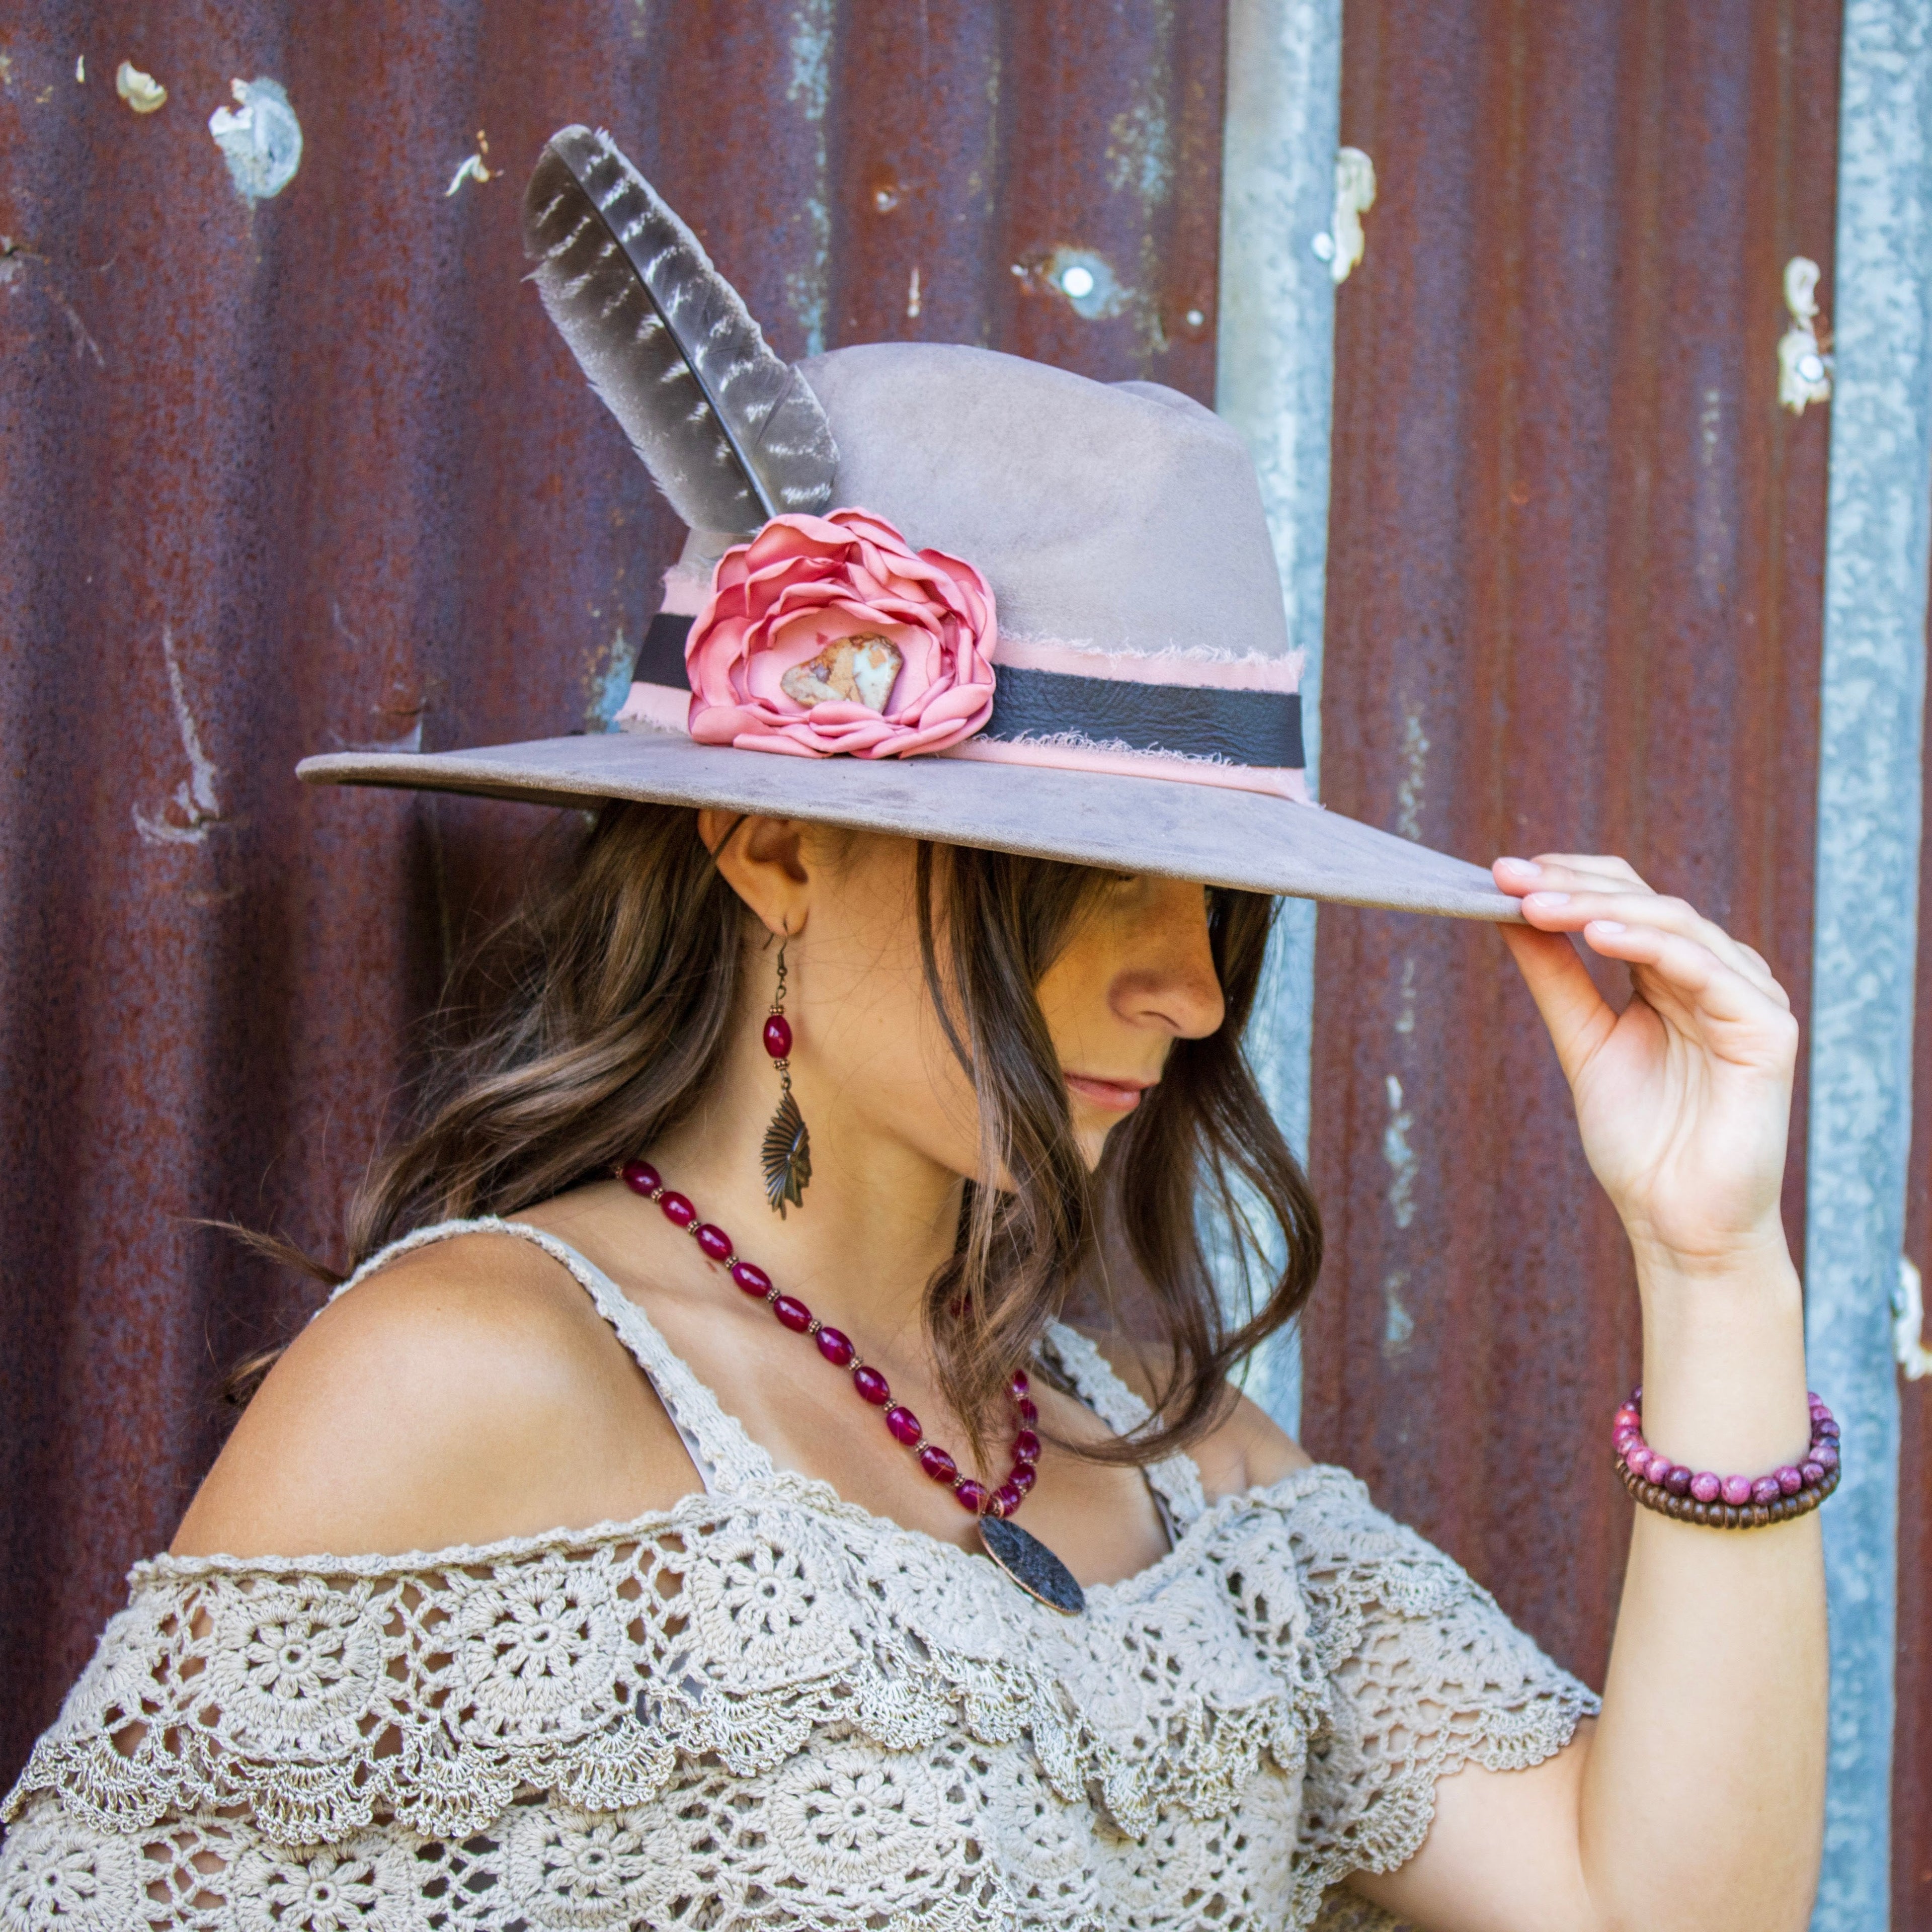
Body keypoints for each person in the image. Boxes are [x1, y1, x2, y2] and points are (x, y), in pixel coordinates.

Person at [0, 127, 1824, 1932]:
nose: (1194, 993)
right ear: (779, 846)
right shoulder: (481, 1378)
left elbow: (1664, 1914)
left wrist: (1717, 1261)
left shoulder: (1186, 1478)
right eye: (1094, 884)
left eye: (1217, 903)